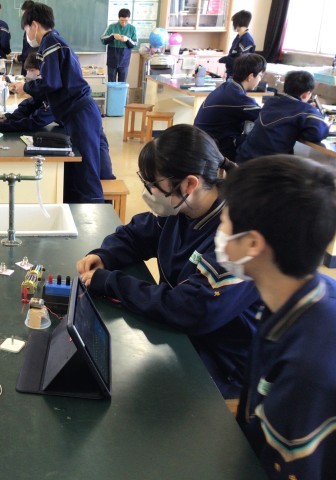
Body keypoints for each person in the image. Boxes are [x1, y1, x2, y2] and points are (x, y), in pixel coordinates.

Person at [76, 125, 261, 399]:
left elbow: (191, 309)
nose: (150, 192)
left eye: (154, 184)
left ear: (189, 184)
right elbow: (138, 234)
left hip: (222, 361)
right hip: (183, 337)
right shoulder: (184, 208)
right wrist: (106, 255)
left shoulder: (236, 236)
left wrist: (112, 283)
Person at [219, 155, 336, 479]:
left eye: (224, 222)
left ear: (253, 243)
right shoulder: (294, 297)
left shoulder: (306, 370)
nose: (220, 232)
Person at [11, 3, 106, 202]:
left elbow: (51, 83)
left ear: (34, 25)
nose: (27, 34)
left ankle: (94, 215)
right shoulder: (54, 40)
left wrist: (26, 87)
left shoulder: (50, 43)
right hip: (78, 112)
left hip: (80, 113)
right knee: (79, 169)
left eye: (26, 29)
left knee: (85, 172)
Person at [235, 70, 329, 163]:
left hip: (244, 157)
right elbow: (318, 133)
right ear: (305, 95)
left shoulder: (271, 102)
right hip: (268, 165)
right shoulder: (306, 110)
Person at [194, 53, 266, 160]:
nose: (260, 80)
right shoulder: (237, 98)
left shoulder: (227, 87)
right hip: (213, 148)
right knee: (263, 143)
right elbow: (265, 117)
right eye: (260, 75)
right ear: (251, 76)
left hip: (201, 141)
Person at [0, 53, 54, 133]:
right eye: (27, 71)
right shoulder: (43, 91)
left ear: (45, 70)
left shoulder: (55, 96)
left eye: (32, 70)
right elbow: (27, 107)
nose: (28, 74)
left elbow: (33, 122)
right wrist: (5, 118)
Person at [100, 8, 137, 83]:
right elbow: (102, 39)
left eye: (126, 21)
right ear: (119, 18)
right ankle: (111, 91)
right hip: (112, 59)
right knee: (111, 82)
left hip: (124, 60)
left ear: (128, 19)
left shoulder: (132, 28)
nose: (124, 23)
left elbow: (135, 44)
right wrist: (112, 36)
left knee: (122, 83)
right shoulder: (111, 27)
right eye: (122, 20)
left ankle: (121, 92)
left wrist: (127, 39)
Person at [219, 10, 255, 78]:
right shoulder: (239, 36)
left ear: (238, 23)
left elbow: (242, 61)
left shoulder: (247, 40)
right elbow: (233, 54)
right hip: (231, 72)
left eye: (234, 22)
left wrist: (226, 59)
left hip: (238, 75)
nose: (233, 25)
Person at [13, 1, 36, 76]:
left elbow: (31, 51)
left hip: (31, 67)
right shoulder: (29, 28)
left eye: (24, 14)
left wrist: (19, 57)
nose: (22, 17)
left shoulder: (33, 30)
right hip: (28, 65)